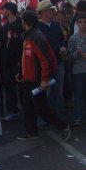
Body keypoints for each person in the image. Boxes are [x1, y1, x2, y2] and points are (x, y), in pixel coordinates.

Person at [16, 11, 70, 142]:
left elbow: (45, 60)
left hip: (37, 80)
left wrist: (44, 79)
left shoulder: (37, 37)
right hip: (29, 79)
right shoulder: (28, 36)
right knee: (28, 107)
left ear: (26, 22)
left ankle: (63, 126)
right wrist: (22, 74)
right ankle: (32, 131)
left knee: (42, 108)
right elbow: (27, 58)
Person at [37, 0, 66, 119]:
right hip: (46, 65)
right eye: (49, 10)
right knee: (46, 92)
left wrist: (63, 46)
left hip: (58, 63)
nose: (51, 11)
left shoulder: (55, 24)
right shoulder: (38, 27)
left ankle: (59, 115)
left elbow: (62, 38)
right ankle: (46, 117)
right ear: (42, 12)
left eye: (51, 9)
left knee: (58, 91)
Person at [1, 2, 24, 122]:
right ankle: (13, 111)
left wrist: (20, 61)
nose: (2, 12)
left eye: (3, 9)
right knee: (9, 88)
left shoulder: (21, 24)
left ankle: (26, 110)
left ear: (9, 10)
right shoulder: (5, 26)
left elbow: (23, 44)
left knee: (22, 88)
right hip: (7, 63)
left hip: (18, 63)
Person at [66, 13, 86, 126]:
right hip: (78, 71)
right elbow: (69, 57)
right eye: (81, 22)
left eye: (85, 22)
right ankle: (78, 117)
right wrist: (76, 53)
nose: (83, 25)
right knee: (79, 95)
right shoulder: (73, 39)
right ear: (77, 24)